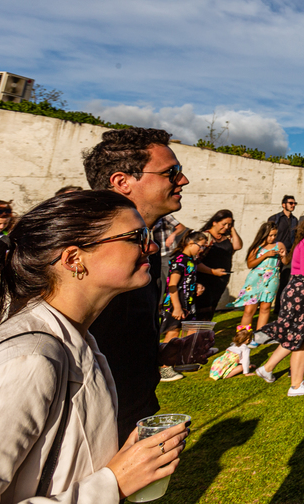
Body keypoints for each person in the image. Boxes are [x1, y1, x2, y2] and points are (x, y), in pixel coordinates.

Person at [0, 191, 188, 502]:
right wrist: (112, 484)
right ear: (74, 259)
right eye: (137, 236)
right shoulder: (28, 359)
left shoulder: (76, 337)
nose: (152, 246)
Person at [83, 127, 204, 435]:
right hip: (93, 428)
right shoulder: (88, 251)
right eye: (171, 172)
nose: (183, 180)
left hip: (133, 414)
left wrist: (160, 353)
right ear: (123, 182)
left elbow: (112, 341)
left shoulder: (143, 248)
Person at [256, 210, 304, 397]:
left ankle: (286, 378)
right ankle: (292, 382)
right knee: (298, 335)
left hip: (303, 292)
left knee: (303, 337)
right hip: (302, 293)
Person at [162, 232, 228, 339]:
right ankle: (165, 355)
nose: (202, 249)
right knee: (173, 332)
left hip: (188, 302)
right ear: (191, 243)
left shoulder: (191, 260)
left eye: (204, 247)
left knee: (192, 330)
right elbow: (173, 285)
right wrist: (177, 307)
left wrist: (196, 285)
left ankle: (185, 354)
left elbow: (186, 278)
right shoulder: (180, 260)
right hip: (175, 303)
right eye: (201, 246)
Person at [233, 221, 289, 335]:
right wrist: (265, 255)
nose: (273, 237)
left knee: (266, 307)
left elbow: (286, 262)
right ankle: (242, 336)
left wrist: (283, 256)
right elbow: (250, 264)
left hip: (272, 277)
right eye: (270, 235)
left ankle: (260, 335)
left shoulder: (279, 245)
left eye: (275, 235)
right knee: (249, 309)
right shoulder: (257, 247)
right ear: (264, 234)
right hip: (255, 279)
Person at [194, 210, 244, 318]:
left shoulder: (227, 237)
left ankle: (205, 332)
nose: (226, 227)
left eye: (229, 224)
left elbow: (238, 246)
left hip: (220, 280)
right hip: (205, 278)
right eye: (224, 224)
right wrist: (212, 272)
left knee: (212, 307)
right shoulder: (205, 237)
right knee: (202, 309)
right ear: (214, 222)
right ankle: (197, 332)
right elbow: (195, 261)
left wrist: (232, 229)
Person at [269, 195, 300, 310]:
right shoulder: (275, 218)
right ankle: (264, 305)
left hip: (287, 254)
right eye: (291, 203)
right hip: (274, 253)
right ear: (283, 204)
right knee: (271, 279)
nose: (293, 205)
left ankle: (278, 308)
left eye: (294, 203)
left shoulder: (294, 220)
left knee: (285, 281)